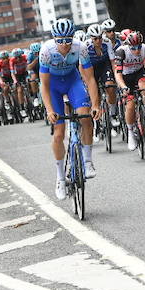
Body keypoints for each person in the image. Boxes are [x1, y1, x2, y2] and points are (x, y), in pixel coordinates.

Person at [38, 18, 102, 199]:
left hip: (73, 81)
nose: (65, 45)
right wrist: (50, 110)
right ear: (54, 39)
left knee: (86, 118)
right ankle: (60, 178)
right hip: (53, 86)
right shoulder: (46, 51)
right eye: (60, 40)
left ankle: (88, 161)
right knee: (59, 133)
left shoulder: (80, 47)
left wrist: (95, 104)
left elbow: (89, 79)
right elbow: (44, 84)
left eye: (68, 40)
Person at [113, 30, 145, 151]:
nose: (136, 50)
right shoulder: (121, 52)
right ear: (128, 46)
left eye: (138, 47)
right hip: (126, 77)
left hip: (139, 73)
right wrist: (123, 87)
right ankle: (131, 133)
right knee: (130, 106)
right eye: (133, 48)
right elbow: (118, 74)